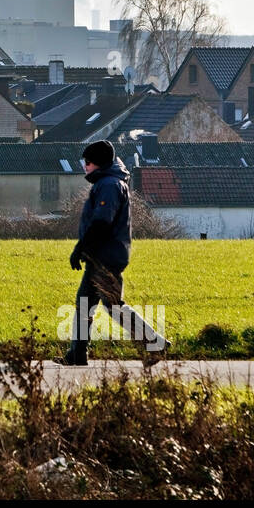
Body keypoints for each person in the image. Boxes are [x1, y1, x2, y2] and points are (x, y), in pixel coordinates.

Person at [60, 139, 170, 367]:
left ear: (99, 163)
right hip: (100, 256)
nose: (84, 166)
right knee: (84, 304)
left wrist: (80, 247)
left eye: (88, 162)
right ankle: (77, 354)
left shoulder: (109, 185)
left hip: (106, 257)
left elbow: (102, 220)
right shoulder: (107, 182)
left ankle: (154, 342)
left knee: (113, 306)